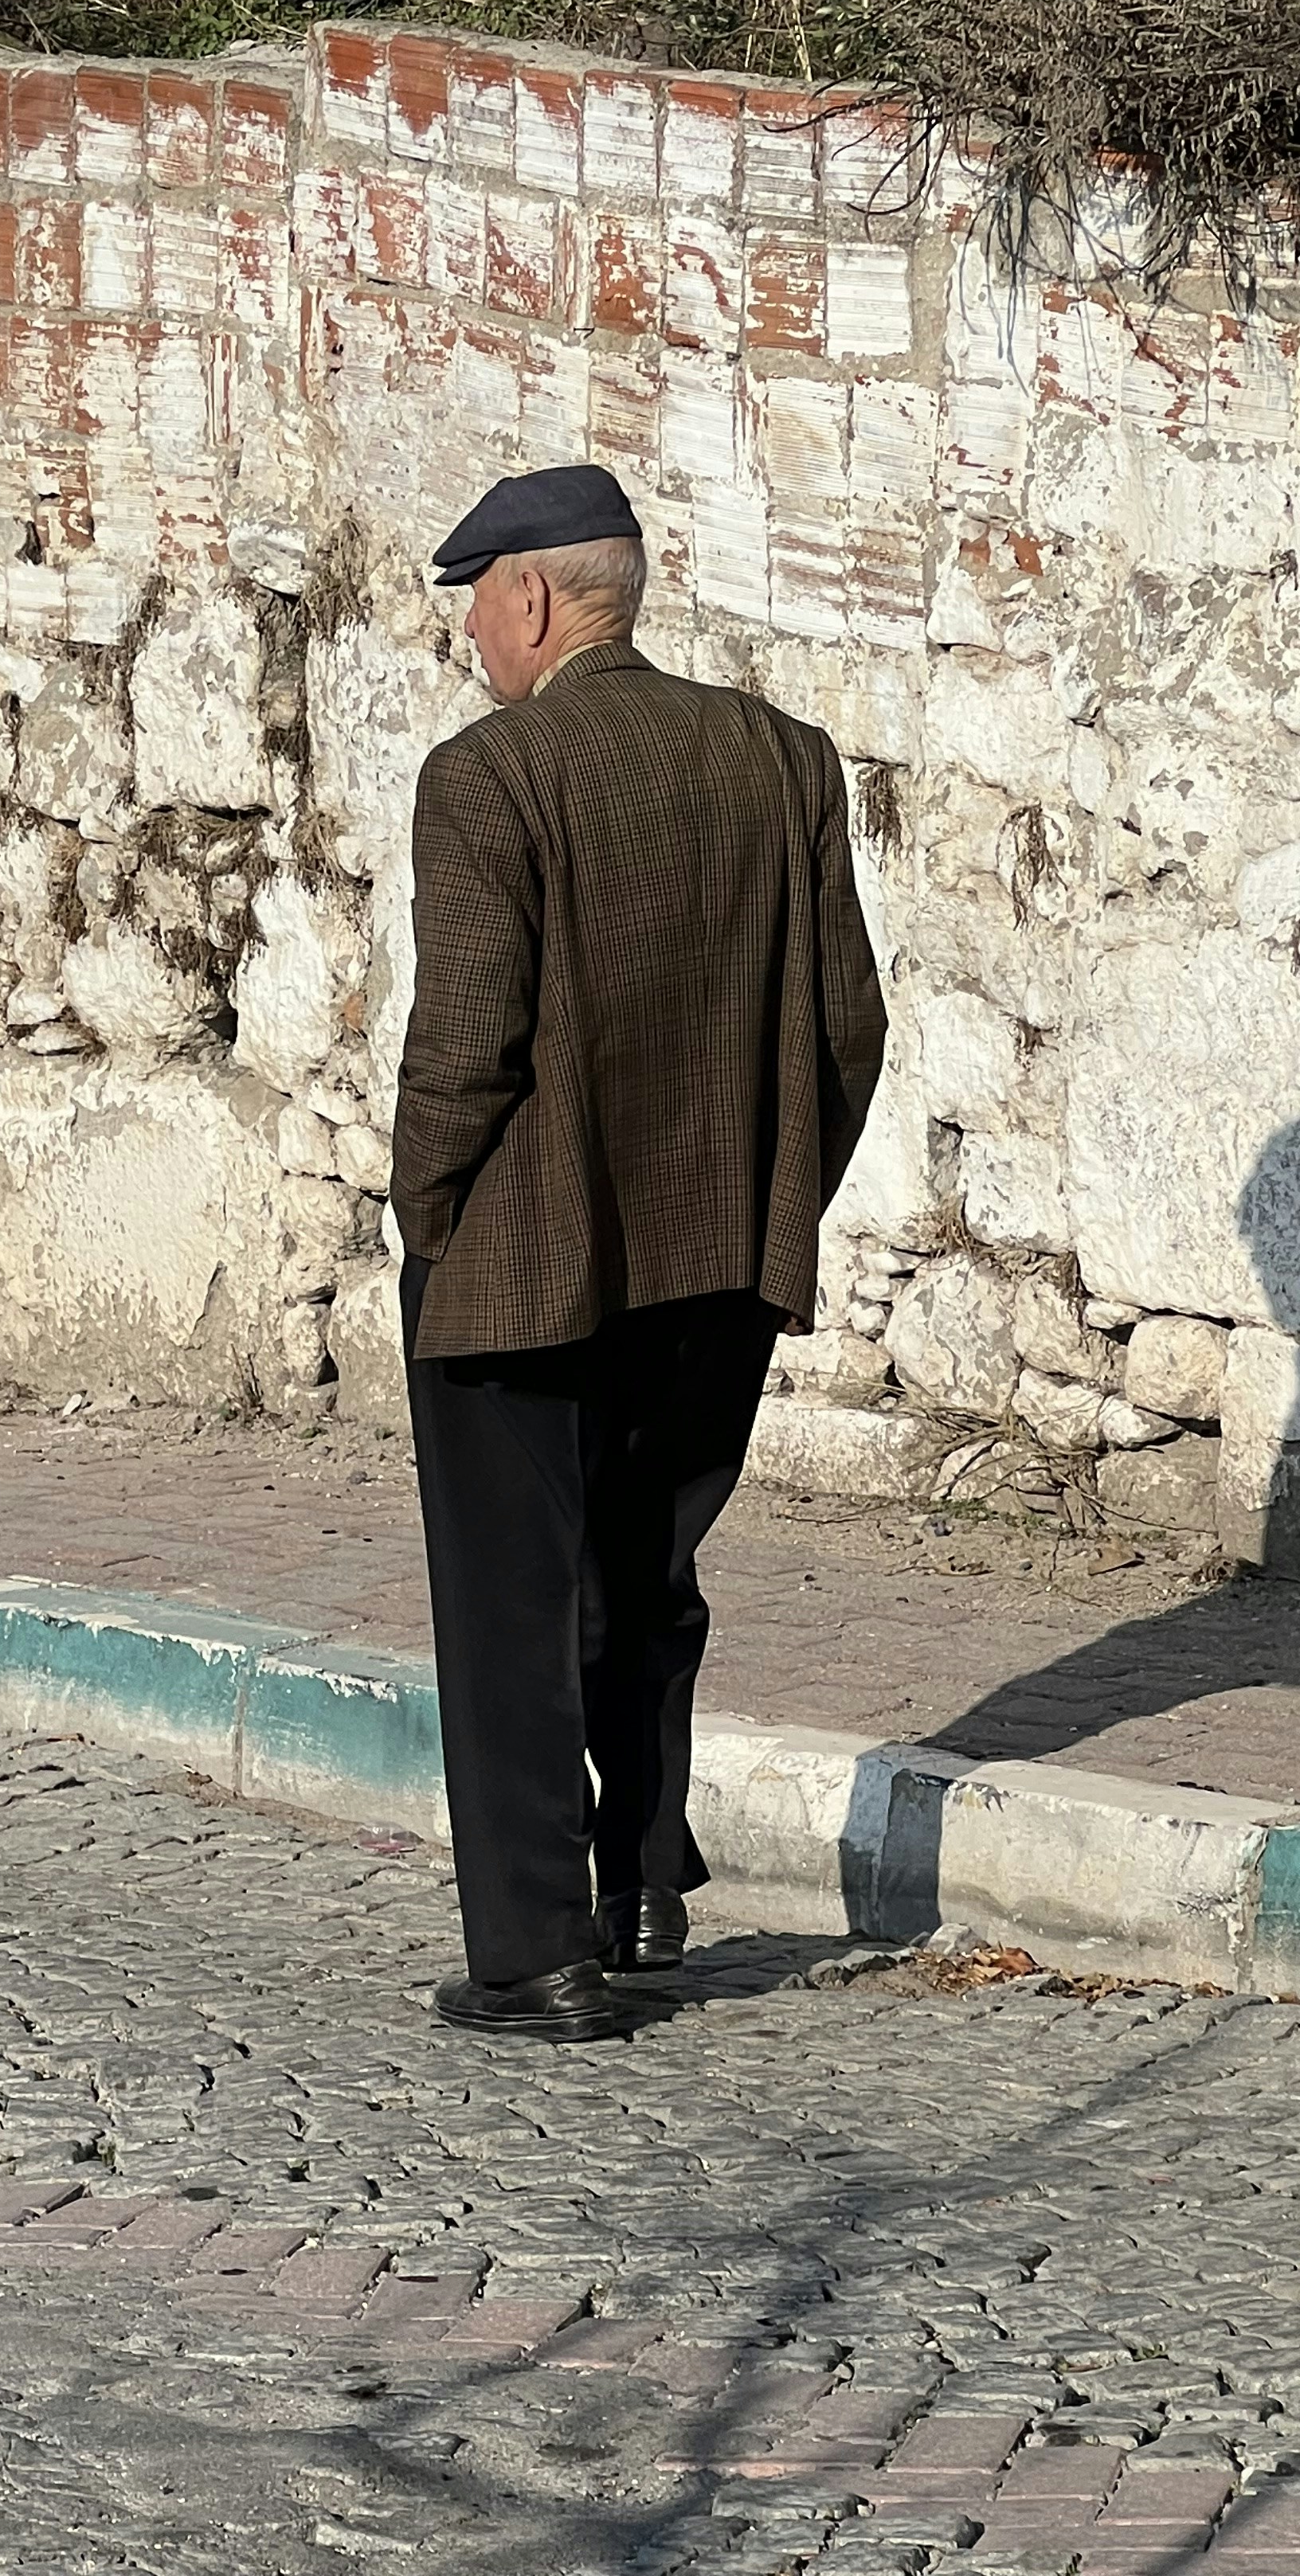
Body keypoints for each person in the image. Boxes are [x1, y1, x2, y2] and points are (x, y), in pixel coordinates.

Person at [392, 462, 885, 2043]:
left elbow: (464, 1046)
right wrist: (765, 1199)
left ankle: (541, 1956)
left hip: (522, 1275)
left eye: (476, 599)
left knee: (515, 1605)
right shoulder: (784, 763)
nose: (474, 630)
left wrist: (430, 1213)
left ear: (531, 597)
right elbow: (848, 1029)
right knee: (648, 1579)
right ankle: (646, 1891)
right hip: (720, 1271)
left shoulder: (494, 777)